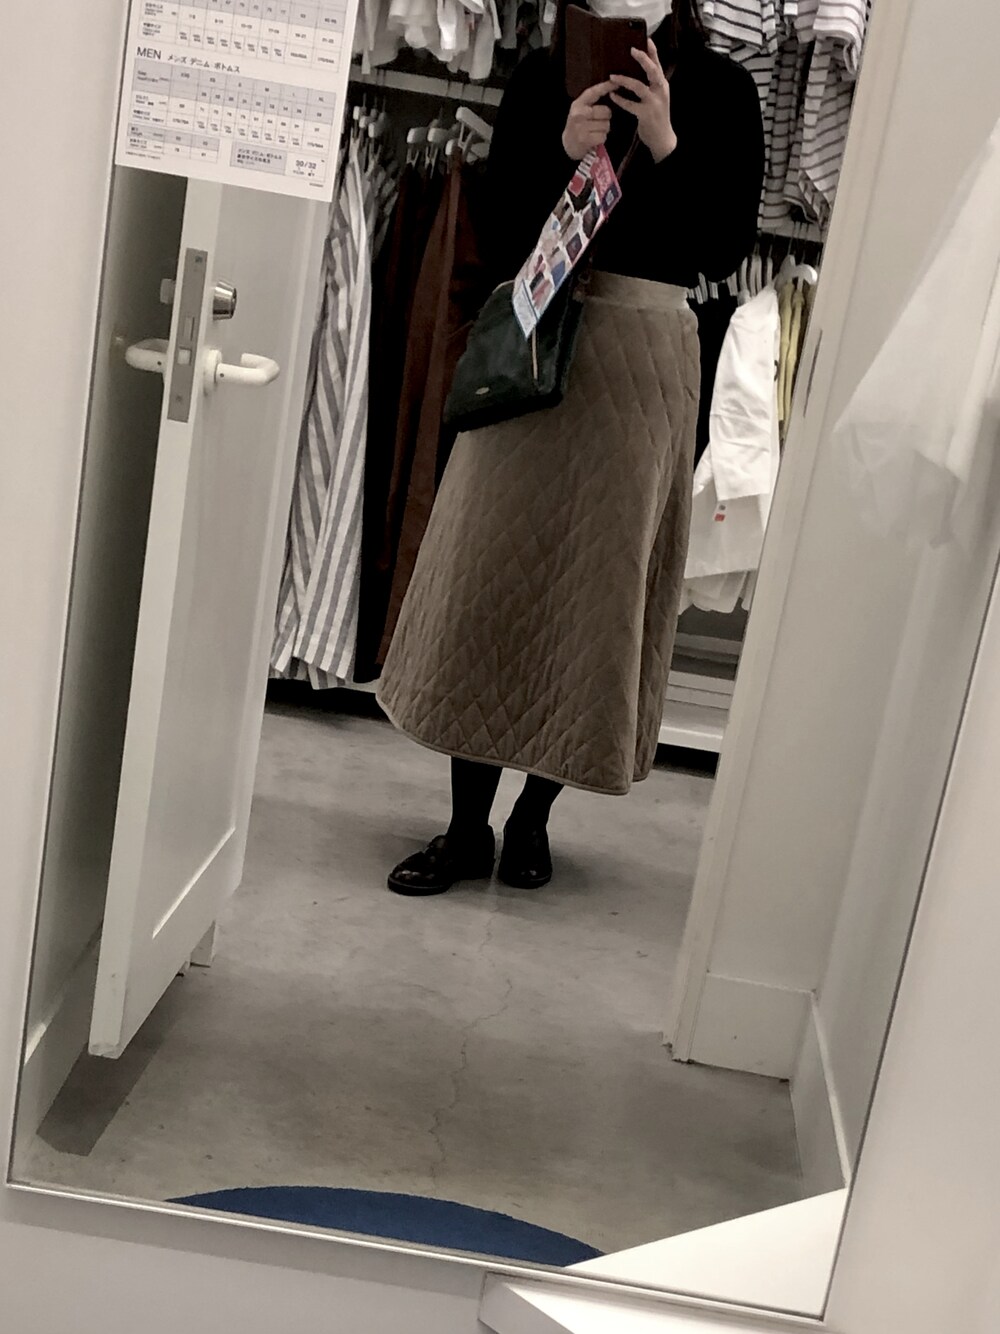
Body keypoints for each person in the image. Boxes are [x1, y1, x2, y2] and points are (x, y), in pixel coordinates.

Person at [377, 0, 764, 896]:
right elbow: (500, 231)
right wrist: (558, 149)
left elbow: (720, 249)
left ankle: (532, 818)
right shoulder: (542, 77)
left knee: (595, 591)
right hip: (534, 340)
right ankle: (464, 827)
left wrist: (667, 144)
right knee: (488, 579)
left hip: (640, 361)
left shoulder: (723, 89)